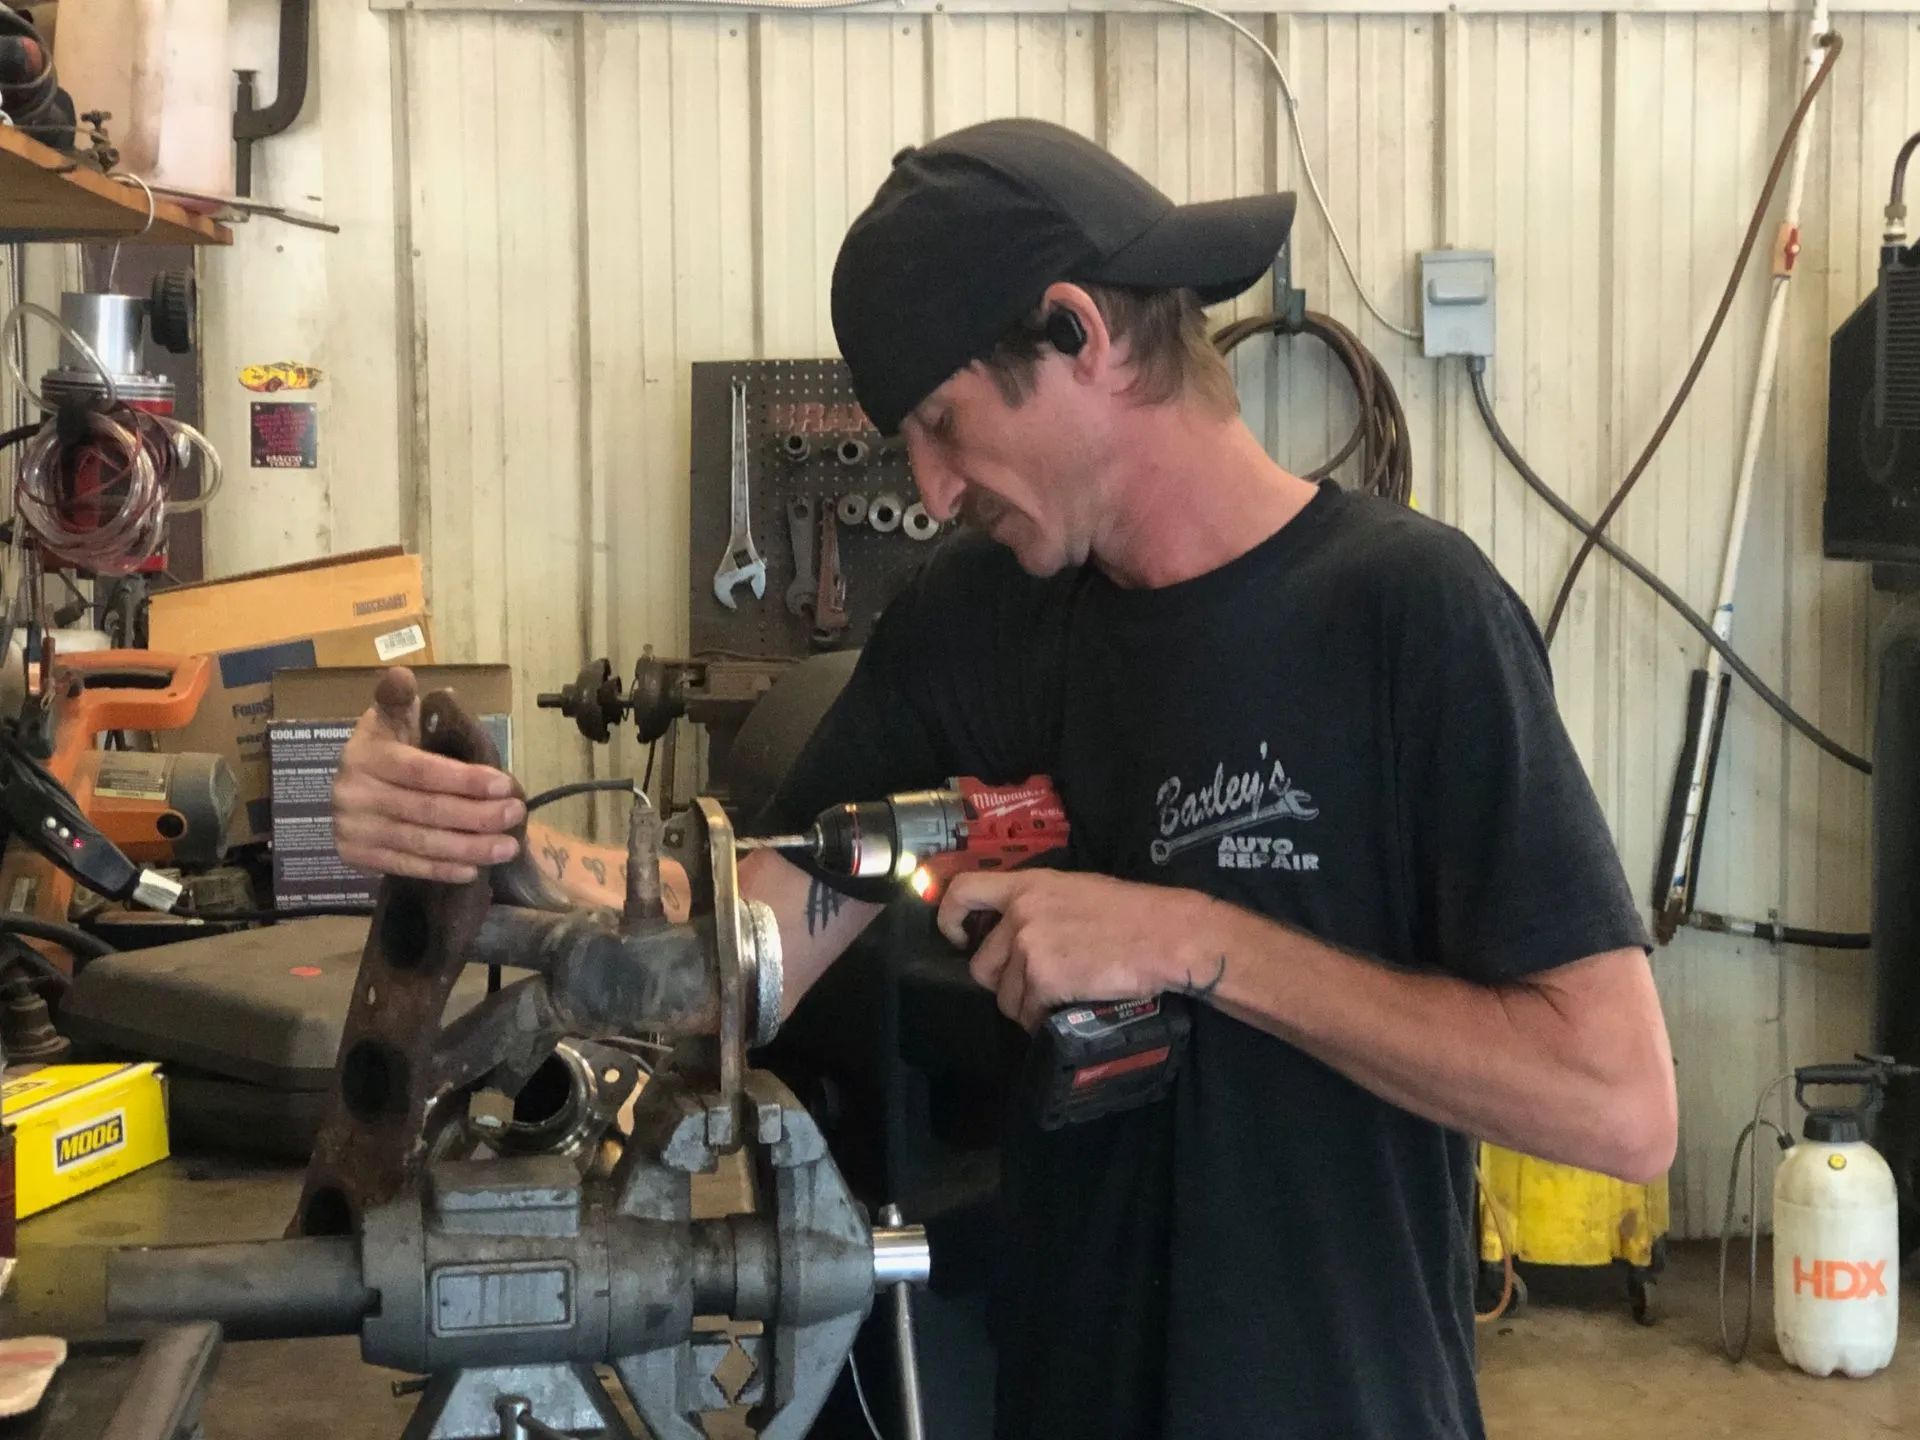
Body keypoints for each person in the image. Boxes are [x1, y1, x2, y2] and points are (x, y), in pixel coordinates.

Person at [332, 119, 1676, 1440]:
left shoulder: (1409, 617)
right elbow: (733, 948)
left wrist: (1197, 943)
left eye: (942, 421)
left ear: (1077, 333)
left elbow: (1615, 1101)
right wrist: (479, 844)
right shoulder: (979, 624)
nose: (927, 491)